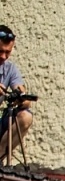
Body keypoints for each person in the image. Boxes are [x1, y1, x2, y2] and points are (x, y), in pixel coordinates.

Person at [0, 26, 34, 161]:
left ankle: (0, 155)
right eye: (0, 51)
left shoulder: (10, 69)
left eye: (7, 52)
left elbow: (26, 101)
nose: (3, 56)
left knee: (26, 117)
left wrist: (20, 98)